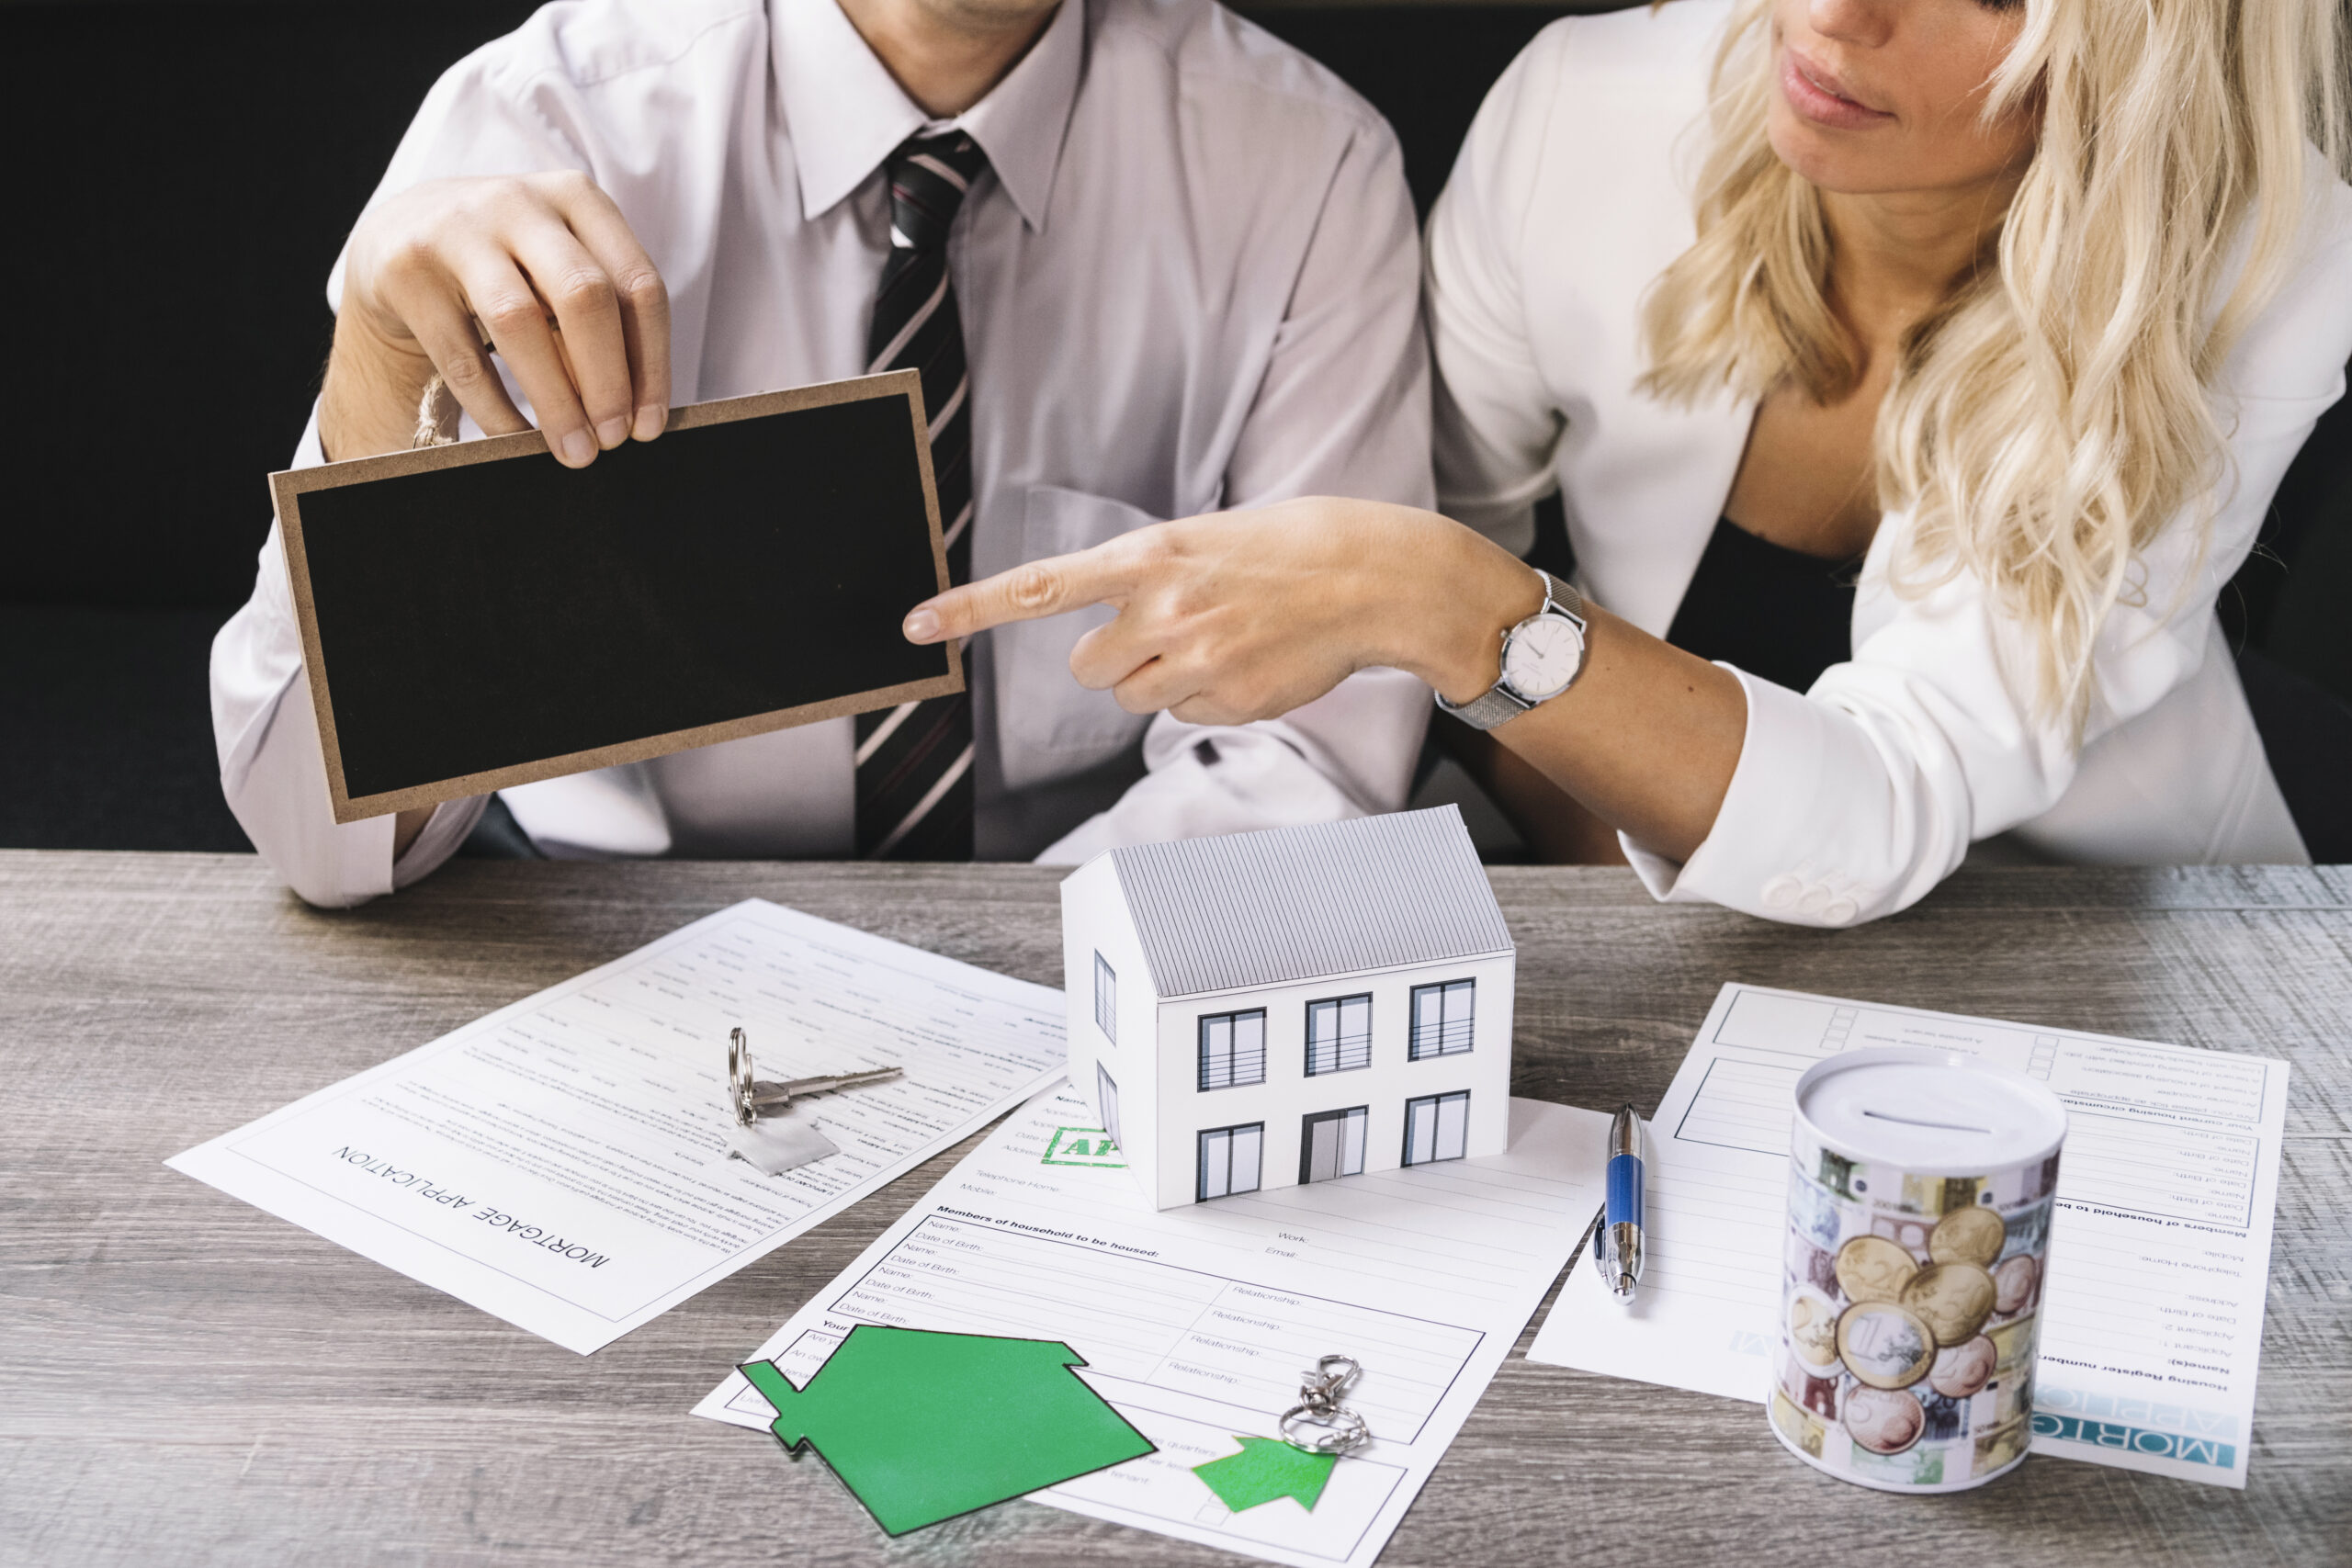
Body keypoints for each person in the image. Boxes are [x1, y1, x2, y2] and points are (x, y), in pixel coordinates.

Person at [911, 0, 2352, 925]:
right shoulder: (1586, 108)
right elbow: (1405, 608)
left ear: (2148, 54)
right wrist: (1641, 856)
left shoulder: (2264, 272)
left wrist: (1447, 603)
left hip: (2100, 926)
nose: (1840, 13)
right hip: (1632, 893)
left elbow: (1891, 799)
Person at [211, 0, 1432, 907]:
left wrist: (1008, 974)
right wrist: (378, 365)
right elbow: (316, 838)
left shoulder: (1308, 166)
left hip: (1080, 937)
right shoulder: (541, 122)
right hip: (598, 931)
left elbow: (1310, 756)